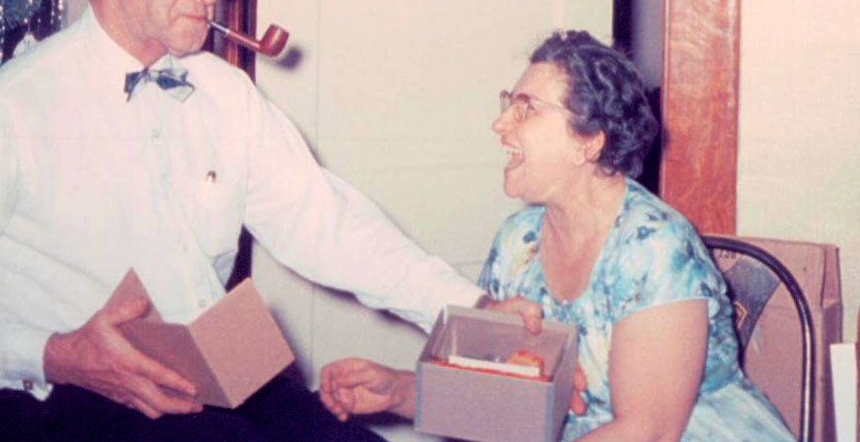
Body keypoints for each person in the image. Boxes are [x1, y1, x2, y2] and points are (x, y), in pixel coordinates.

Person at [0, 0, 536, 442]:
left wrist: (472, 309)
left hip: (222, 368)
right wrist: (58, 355)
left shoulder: (225, 94)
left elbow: (329, 225)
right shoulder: (9, 111)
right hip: (71, 396)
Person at [319, 30, 796, 442]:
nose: (500, 124)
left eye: (526, 110)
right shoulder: (517, 242)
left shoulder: (653, 246)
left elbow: (647, 431)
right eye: (509, 105)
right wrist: (400, 391)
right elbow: (505, 392)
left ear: (588, 140)